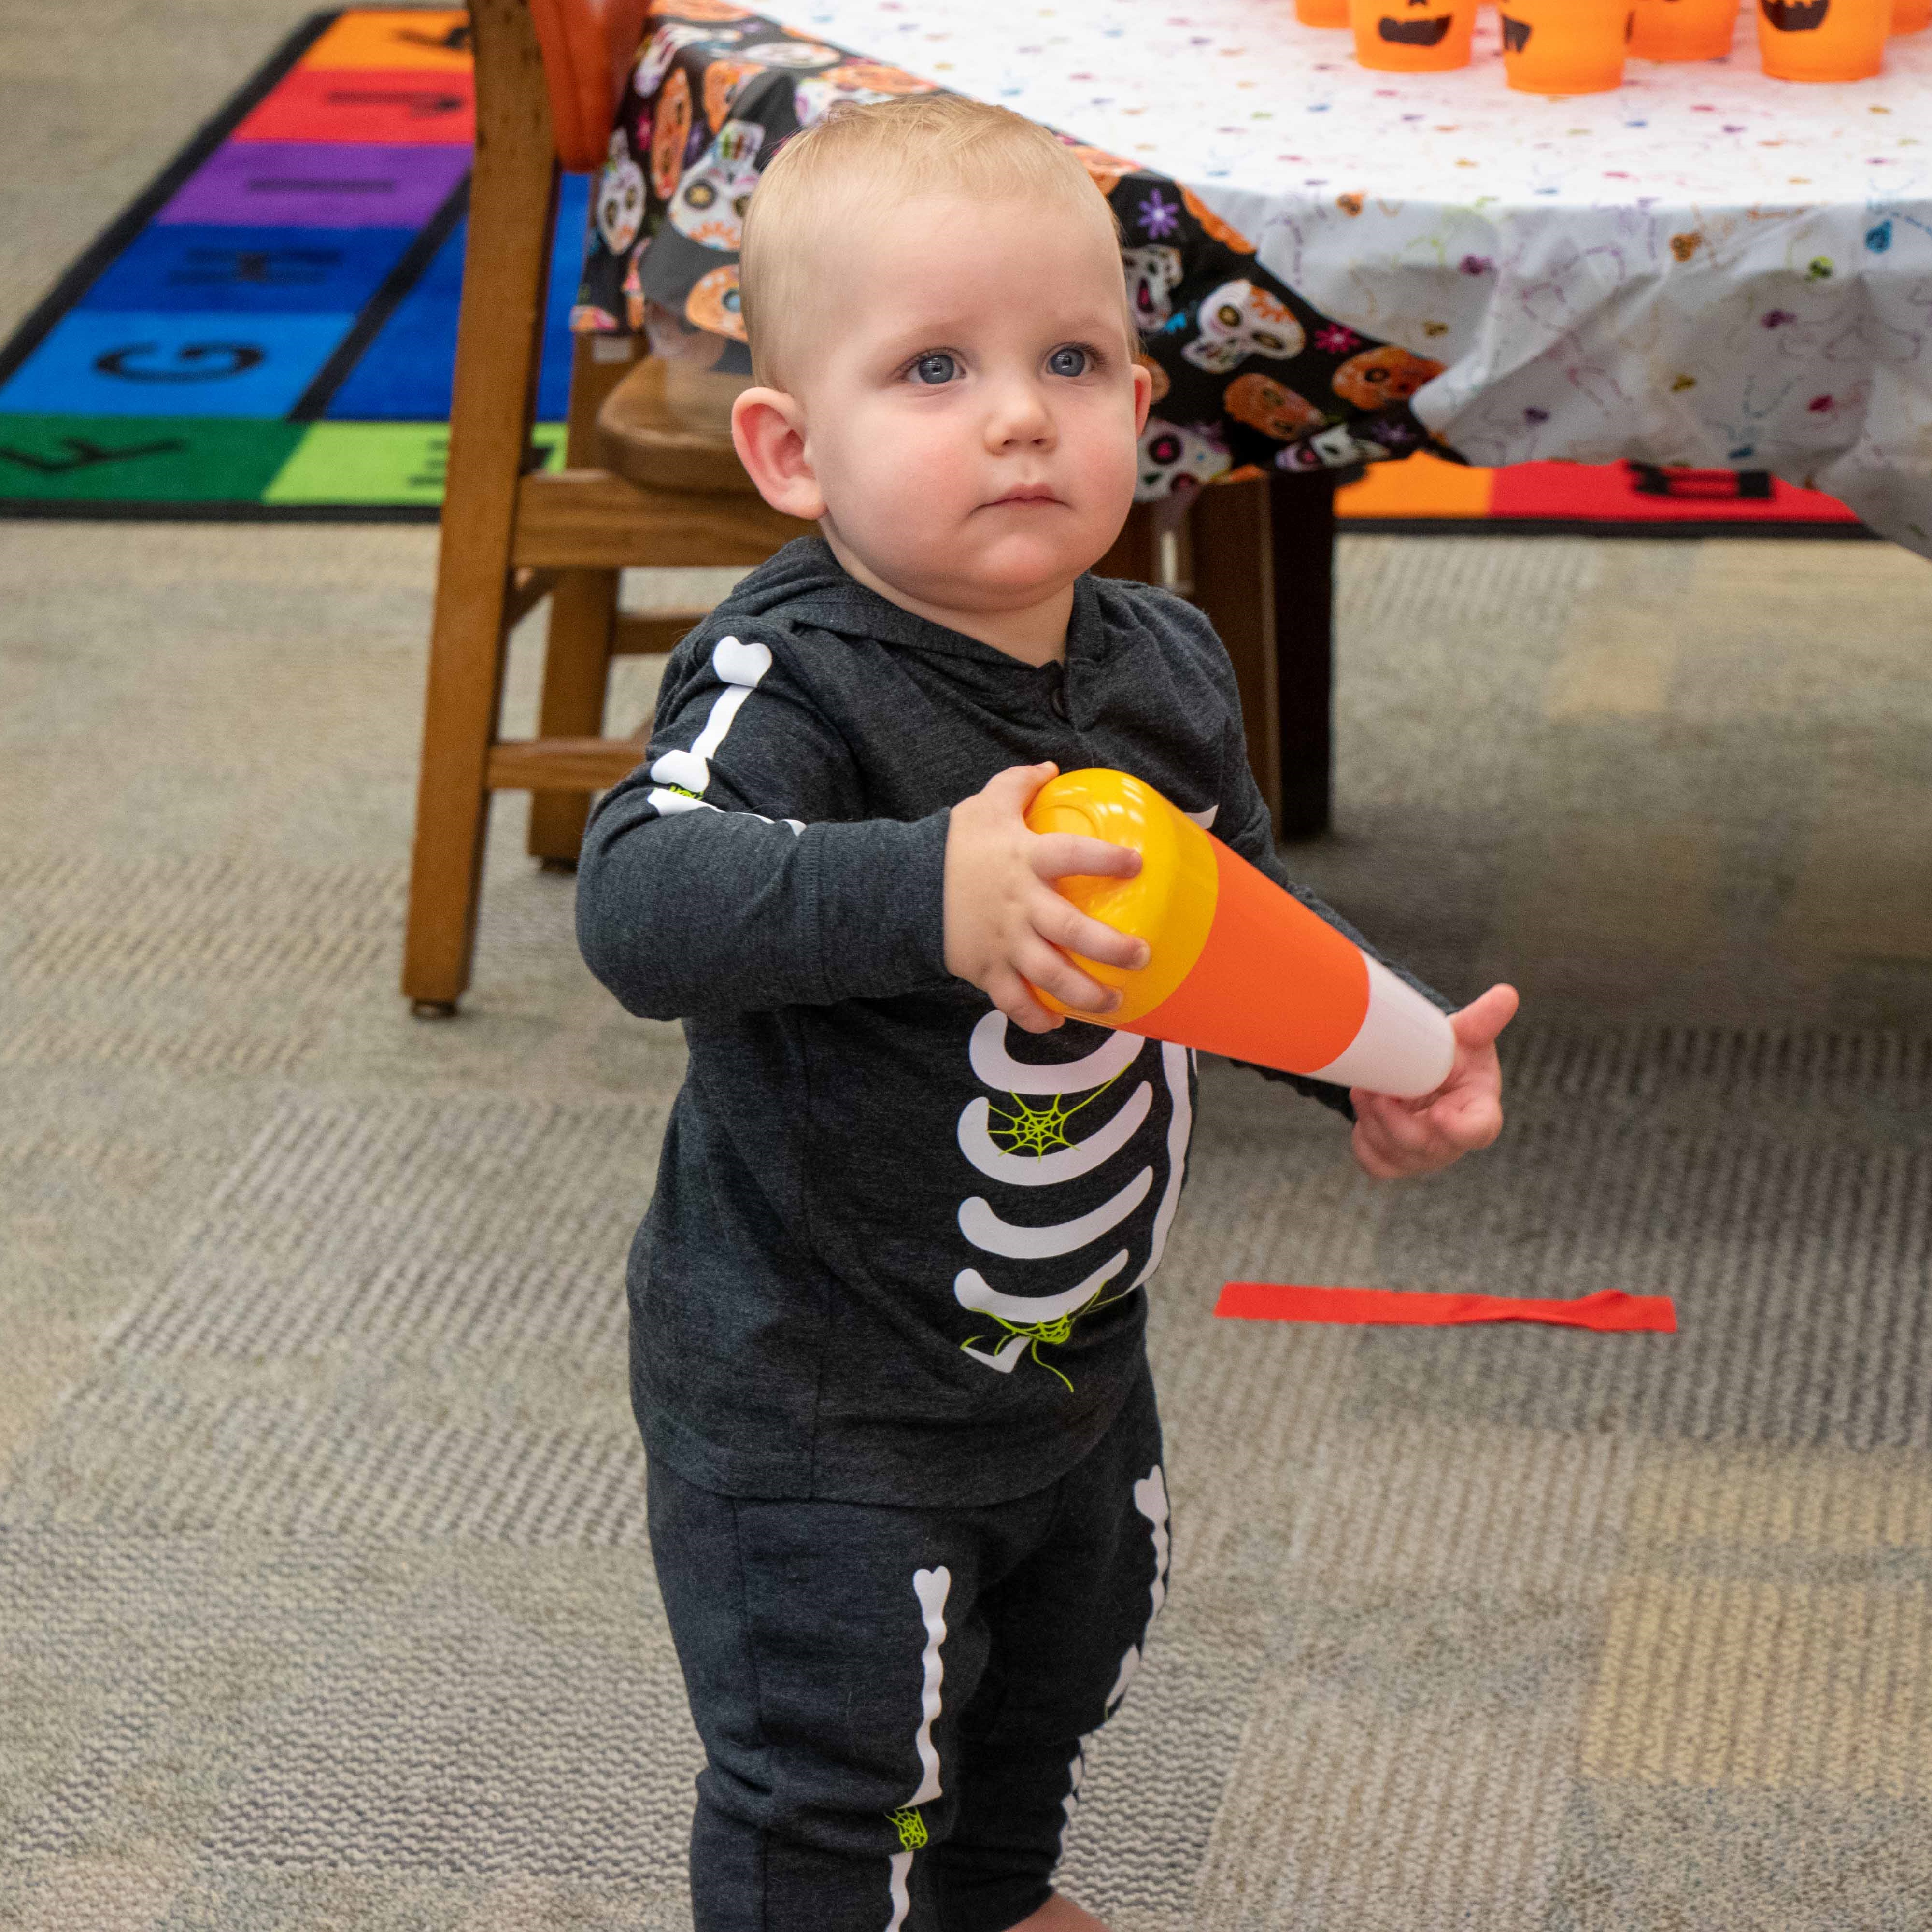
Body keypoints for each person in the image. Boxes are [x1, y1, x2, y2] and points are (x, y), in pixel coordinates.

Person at [576, 91, 1517, 1932]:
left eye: (1072, 359)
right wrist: (932, 887)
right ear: (791, 450)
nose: (1019, 411)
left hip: (1070, 1354)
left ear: (1141, 424)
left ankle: (1002, 1900)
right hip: (814, 1387)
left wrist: (1380, 1063)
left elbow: (1234, 927)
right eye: (932, 368)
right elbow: (639, 899)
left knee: (1055, 1670)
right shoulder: (788, 685)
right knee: (831, 1765)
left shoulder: (1160, 663)